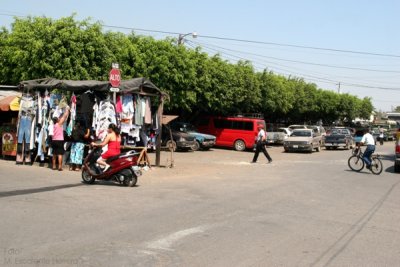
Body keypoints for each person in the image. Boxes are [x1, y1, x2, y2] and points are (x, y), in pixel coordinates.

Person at [51, 106, 70, 171]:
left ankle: (53, 166)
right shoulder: (59, 124)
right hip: (59, 140)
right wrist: (67, 109)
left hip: (54, 140)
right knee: (60, 154)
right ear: (57, 120)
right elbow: (64, 117)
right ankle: (59, 167)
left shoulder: (53, 125)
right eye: (58, 118)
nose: (59, 118)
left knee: (54, 154)